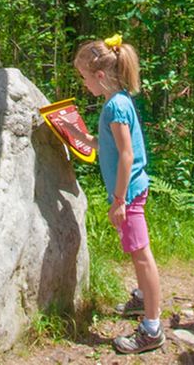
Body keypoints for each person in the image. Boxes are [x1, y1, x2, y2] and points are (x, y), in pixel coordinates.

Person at [75, 34, 164, 355]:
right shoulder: (119, 101)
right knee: (138, 253)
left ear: (100, 76)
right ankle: (142, 299)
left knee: (141, 255)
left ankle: (152, 328)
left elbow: (126, 155)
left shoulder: (115, 107)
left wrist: (119, 201)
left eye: (84, 78)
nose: (84, 85)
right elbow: (109, 146)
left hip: (130, 194)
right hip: (134, 191)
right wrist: (78, 135)